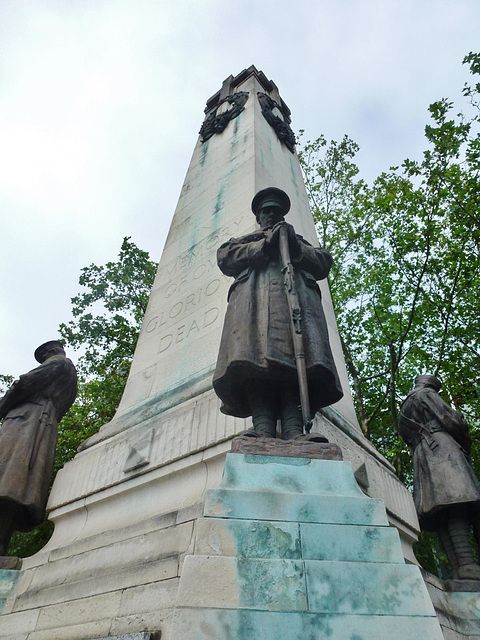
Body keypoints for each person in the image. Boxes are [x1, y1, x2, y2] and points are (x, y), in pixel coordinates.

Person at [213, 187, 343, 441]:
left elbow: (322, 262)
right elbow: (225, 257)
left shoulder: (298, 241)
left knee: (294, 364)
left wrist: (294, 246)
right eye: (266, 212)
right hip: (254, 311)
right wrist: (264, 246)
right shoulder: (244, 241)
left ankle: (295, 431)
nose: (271, 216)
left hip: (292, 309)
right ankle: (263, 429)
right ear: (259, 216)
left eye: (275, 211)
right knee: (255, 366)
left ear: (283, 215)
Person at [0, 341, 77, 556]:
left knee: (8, 481)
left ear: (49, 352)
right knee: (15, 487)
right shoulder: (71, 376)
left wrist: (3, 405)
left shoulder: (57, 363)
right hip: (43, 424)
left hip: (25, 422)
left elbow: (23, 384)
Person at [399, 374, 480, 580]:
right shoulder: (427, 395)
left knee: (441, 512)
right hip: (442, 450)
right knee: (456, 505)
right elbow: (451, 420)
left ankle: (460, 568)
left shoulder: (404, 408)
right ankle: (468, 565)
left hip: (422, 455)